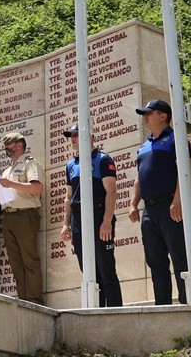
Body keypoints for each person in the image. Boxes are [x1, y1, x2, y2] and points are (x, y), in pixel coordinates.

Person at [129, 98, 189, 304]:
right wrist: (133, 204)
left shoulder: (176, 139)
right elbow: (139, 177)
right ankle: (162, 304)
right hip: (149, 210)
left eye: (149, 113)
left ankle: (187, 301)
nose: (145, 117)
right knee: (155, 261)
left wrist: (178, 201)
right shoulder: (144, 146)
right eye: (144, 114)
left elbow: (184, 172)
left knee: (180, 257)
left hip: (170, 206)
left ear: (163, 116)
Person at [60, 124, 123, 308]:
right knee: (87, 270)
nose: (72, 139)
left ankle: (114, 310)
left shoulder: (103, 159)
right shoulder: (71, 164)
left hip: (98, 215)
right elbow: (68, 197)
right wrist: (66, 224)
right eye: (70, 136)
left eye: (76, 135)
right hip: (78, 219)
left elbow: (111, 191)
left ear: (90, 136)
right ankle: (97, 309)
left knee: (106, 268)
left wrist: (106, 221)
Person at [0, 131, 45, 304]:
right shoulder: (7, 170)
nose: (6, 148)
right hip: (8, 216)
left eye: (9, 145)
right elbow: (7, 197)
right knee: (16, 262)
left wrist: (11, 184)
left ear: (19, 145)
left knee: (29, 259)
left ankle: (35, 301)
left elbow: (36, 189)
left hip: (25, 215)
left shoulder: (30, 163)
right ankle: (23, 299)